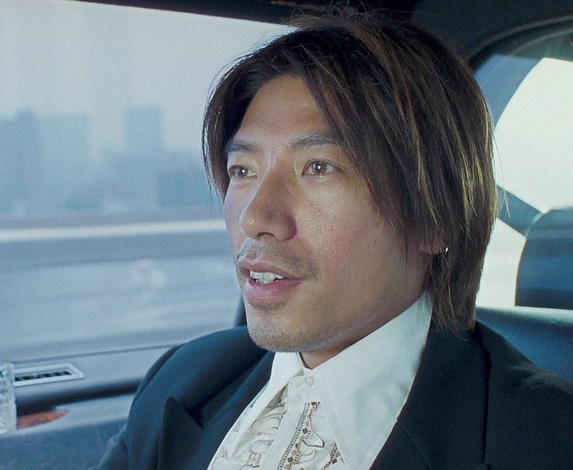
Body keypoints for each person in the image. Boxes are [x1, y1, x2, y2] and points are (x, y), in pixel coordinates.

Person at [94, 10, 573, 470]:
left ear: (435, 219)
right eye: (243, 170)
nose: (255, 217)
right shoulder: (184, 378)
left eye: (319, 168)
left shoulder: (545, 436)